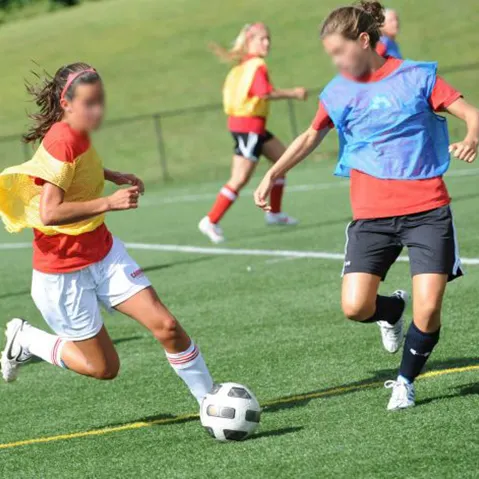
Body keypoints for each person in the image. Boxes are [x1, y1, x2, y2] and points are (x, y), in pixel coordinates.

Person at [254, 1, 479, 410]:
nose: (336, 62)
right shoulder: (338, 91)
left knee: (428, 310)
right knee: (356, 307)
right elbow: (310, 135)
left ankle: (405, 381)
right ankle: (390, 310)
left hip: (427, 210)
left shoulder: (416, 77)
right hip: (372, 217)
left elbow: (471, 113)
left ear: (363, 40)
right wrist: (272, 173)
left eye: (340, 52)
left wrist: (472, 136)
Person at [0, 63, 214, 406]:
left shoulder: (78, 131)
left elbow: (77, 170)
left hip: (103, 252)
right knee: (103, 368)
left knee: (167, 326)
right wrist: (109, 202)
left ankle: (209, 402)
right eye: (90, 102)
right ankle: (27, 339)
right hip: (63, 272)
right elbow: (49, 212)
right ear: (67, 103)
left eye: (100, 100)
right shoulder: (60, 140)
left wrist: (112, 175)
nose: (98, 110)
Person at [198, 23, 308, 244]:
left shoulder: (240, 67)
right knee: (239, 179)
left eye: (268, 39)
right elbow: (264, 93)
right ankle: (210, 220)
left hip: (248, 126)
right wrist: (294, 93)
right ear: (250, 42)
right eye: (262, 39)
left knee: (282, 159)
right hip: (249, 127)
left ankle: (275, 213)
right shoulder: (257, 65)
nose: (267, 43)